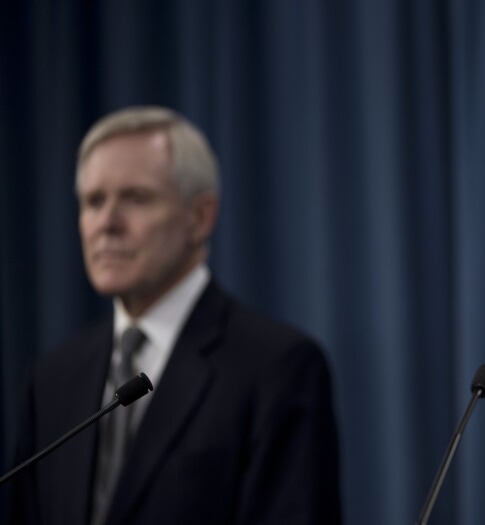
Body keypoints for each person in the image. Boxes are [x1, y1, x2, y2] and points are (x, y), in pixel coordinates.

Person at [7, 106, 343, 525]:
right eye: (94, 201)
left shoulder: (278, 367)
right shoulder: (53, 379)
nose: (107, 223)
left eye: (136, 198)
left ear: (199, 218)